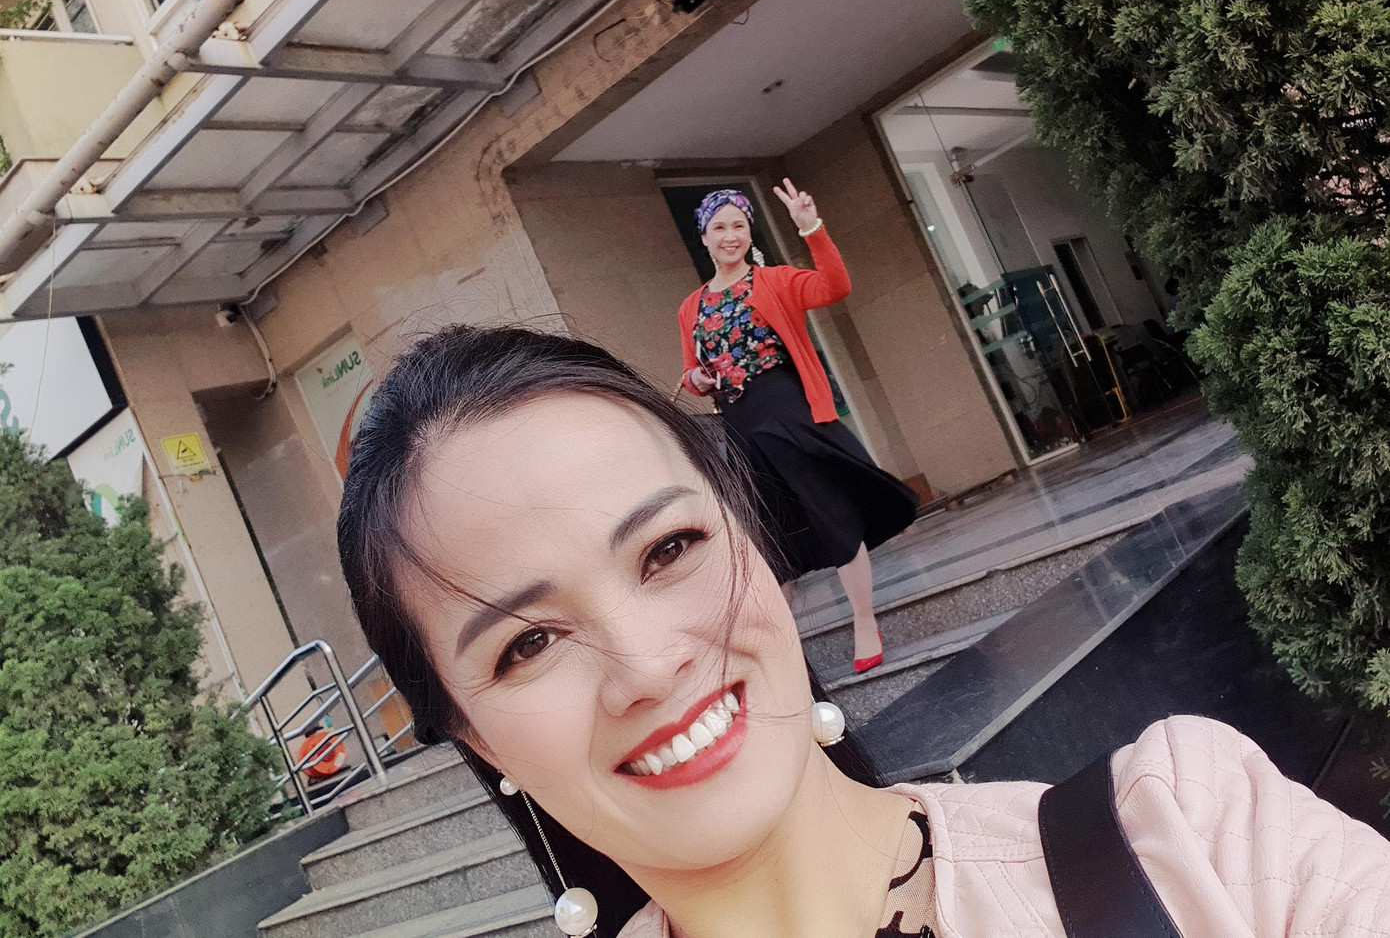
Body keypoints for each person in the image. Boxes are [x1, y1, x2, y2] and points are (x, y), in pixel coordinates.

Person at [338, 325, 1390, 938]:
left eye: (668, 549)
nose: (647, 665)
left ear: (756, 542)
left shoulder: (1190, 837)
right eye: (527, 644)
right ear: (475, 735)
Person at [677, 180, 917, 672]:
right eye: (719, 227)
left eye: (739, 225)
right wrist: (695, 378)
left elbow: (835, 286)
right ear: (703, 237)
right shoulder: (691, 307)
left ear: (750, 232)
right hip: (739, 428)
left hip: (788, 414)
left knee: (833, 515)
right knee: (771, 539)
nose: (730, 236)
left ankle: (864, 622)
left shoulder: (776, 280)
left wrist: (811, 227)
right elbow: (691, 371)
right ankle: (784, 654)